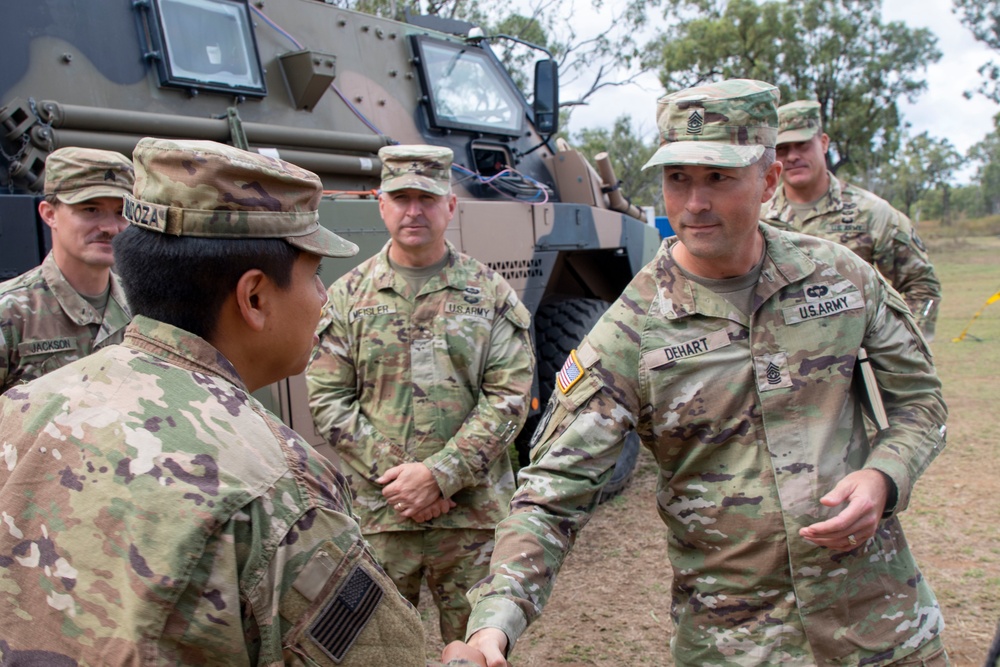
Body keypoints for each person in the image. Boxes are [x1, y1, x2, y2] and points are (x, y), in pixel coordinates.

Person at [463, 80, 950, 666]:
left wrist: (884, 476)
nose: (694, 203)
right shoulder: (631, 330)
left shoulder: (841, 278)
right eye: (678, 179)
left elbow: (920, 403)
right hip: (738, 644)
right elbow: (550, 495)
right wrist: (494, 624)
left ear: (768, 181)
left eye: (718, 178)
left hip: (880, 623)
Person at [0, 137, 484, 667]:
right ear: (254, 297)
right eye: (314, 275)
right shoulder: (277, 485)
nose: (323, 298)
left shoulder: (24, 406)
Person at [305, 145, 534, 643]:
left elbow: (508, 398)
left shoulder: (490, 294)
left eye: (427, 198)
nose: (414, 210)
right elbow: (328, 400)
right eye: (401, 197)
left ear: (450, 206)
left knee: (477, 648)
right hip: (381, 518)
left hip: (471, 521)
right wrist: (404, 482)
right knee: (376, 650)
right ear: (380, 204)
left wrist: (440, 475)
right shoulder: (346, 297)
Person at [761, 100, 942, 339]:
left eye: (802, 145)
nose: (793, 156)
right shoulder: (758, 215)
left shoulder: (870, 212)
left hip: (852, 362)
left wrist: (902, 345)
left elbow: (922, 286)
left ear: (823, 143)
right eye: (783, 149)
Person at [0, 146, 134, 393]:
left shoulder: (145, 308)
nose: (110, 227)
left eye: (120, 212)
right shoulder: (9, 314)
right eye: (90, 210)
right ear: (49, 214)